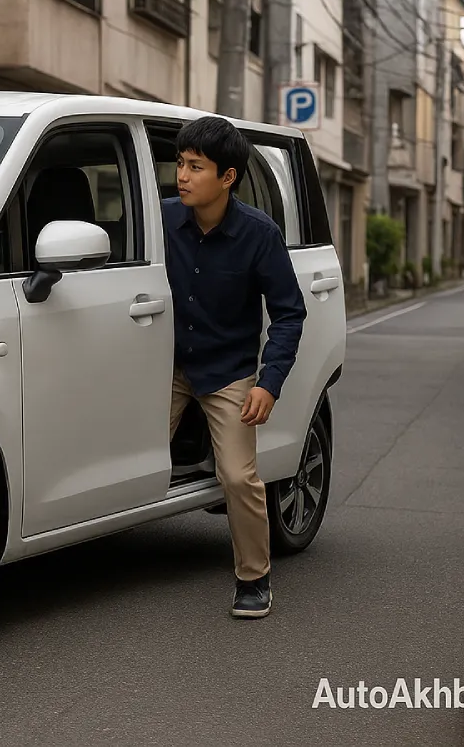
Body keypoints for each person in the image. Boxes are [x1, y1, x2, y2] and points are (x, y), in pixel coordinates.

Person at [161, 115, 307, 619]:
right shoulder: (157, 222)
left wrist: (268, 385)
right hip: (168, 366)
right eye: (180, 164)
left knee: (239, 476)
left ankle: (254, 577)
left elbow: (289, 313)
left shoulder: (258, 234)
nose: (182, 175)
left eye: (195, 167)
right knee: (123, 448)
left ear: (227, 177)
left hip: (229, 370)